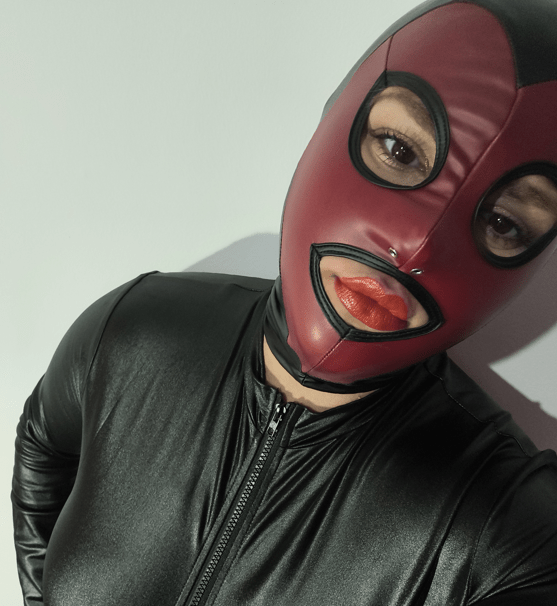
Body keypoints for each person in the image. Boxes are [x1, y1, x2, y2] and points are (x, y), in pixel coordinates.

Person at [12, 0, 557, 604]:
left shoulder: (507, 532)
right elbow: (43, 443)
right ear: (332, 120)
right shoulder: (130, 335)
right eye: (399, 148)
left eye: (505, 222)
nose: (414, 245)